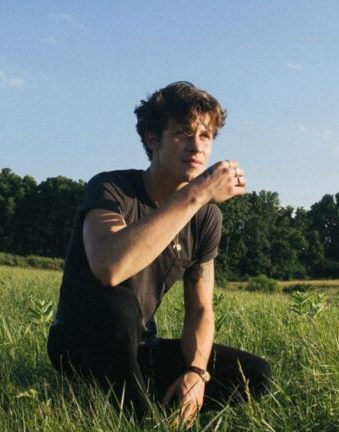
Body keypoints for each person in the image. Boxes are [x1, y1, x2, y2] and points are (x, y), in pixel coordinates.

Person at [47, 81, 271, 426]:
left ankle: (152, 396)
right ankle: (143, 419)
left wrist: (196, 373)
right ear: (153, 139)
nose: (197, 147)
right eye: (183, 133)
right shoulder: (112, 189)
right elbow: (109, 267)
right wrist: (196, 194)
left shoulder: (207, 217)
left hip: (140, 347)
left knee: (256, 374)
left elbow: (200, 309)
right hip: (79, 343)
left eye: (206, 135)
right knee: (120, 305)